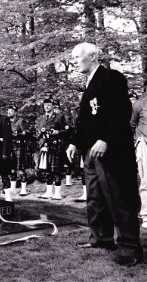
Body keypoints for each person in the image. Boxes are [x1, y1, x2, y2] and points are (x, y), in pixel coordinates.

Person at [66, 42, 142, 267]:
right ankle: (101, 238)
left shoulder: (112, 77)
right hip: (90, 150)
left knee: (119, 197)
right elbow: (85, 120)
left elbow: (121, 111)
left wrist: (105, 139)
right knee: (95, 197)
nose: (73, 61)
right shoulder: (88, 83)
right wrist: (75, 143)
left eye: (76, 57)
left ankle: (130, 248)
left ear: (92, 56)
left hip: (111, 150)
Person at [34, 97, 69, 200]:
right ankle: (49, 192)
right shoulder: (40, 119)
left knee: (56, 170)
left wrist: (57, 132)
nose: (47, 107)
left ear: (53, 106)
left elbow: (67, 131)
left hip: (55, 146)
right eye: (45, 105)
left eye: (49, 105)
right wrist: (40, 135)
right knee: (47, 170)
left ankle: (57, 193)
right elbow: (36, 133)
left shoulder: (59, 117)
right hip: (45, 146)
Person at [130, 80, 147, 229]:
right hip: (144, 145)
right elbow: (131, 125)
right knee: (145, 181)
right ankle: (145, 215)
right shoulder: (139, 104)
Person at [7, 102, 29, 196]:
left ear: (15, 112)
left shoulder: (20, 121)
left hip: (19, 146)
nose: (9, 112)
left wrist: (18, 135)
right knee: (11, 168)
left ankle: (24, 189)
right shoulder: (6, 121)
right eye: (8, 111)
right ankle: (13, 189)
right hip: (9, 147)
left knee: (21, 168)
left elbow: (26, 132)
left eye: (11, 111)